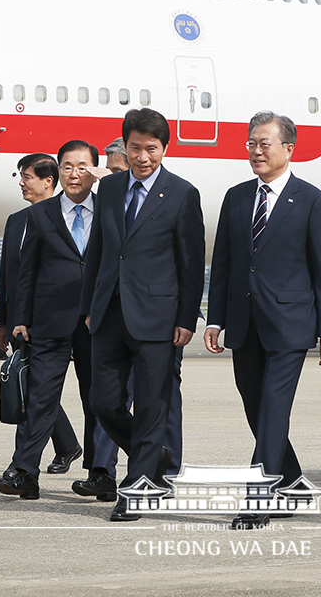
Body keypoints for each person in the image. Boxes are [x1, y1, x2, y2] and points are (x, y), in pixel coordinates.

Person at [206, 112, 321, 530]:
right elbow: (225, 263)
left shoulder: (312, 199)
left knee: (273, 411)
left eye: (264, 144)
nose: (256, 151)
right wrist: (214, 319)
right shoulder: (236, 196)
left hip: (289, 324)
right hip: (244, 323)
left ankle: (258, 498)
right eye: (251, 143)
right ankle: (293, 483)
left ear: (288, 148)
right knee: (255, 409)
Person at [80, 108, 205, 522]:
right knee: (103, 401)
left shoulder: (183, 193)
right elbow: (97, 252)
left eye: (151, 148)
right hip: (109, 314)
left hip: (158, 317)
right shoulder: (111, 189)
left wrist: (187, 318)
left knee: (152, 407)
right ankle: (155, 454)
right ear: (125, 147)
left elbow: (190, 263)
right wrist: (88, 309)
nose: (143, 156)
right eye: (135, 148)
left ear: (164, 149)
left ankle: (137, 491)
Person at [0, 140, 101, 500]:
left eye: (83, 166)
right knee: (40, 397)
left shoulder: (110, 210)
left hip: (96, 321)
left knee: (98, 400)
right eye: (67, 166)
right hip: (49, 319)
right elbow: (27, 272)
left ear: (95, 170)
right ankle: (24, 471)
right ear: (58, 171)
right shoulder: (42, 214)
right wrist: (19, 319)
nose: (75, 173)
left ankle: (100, 472)